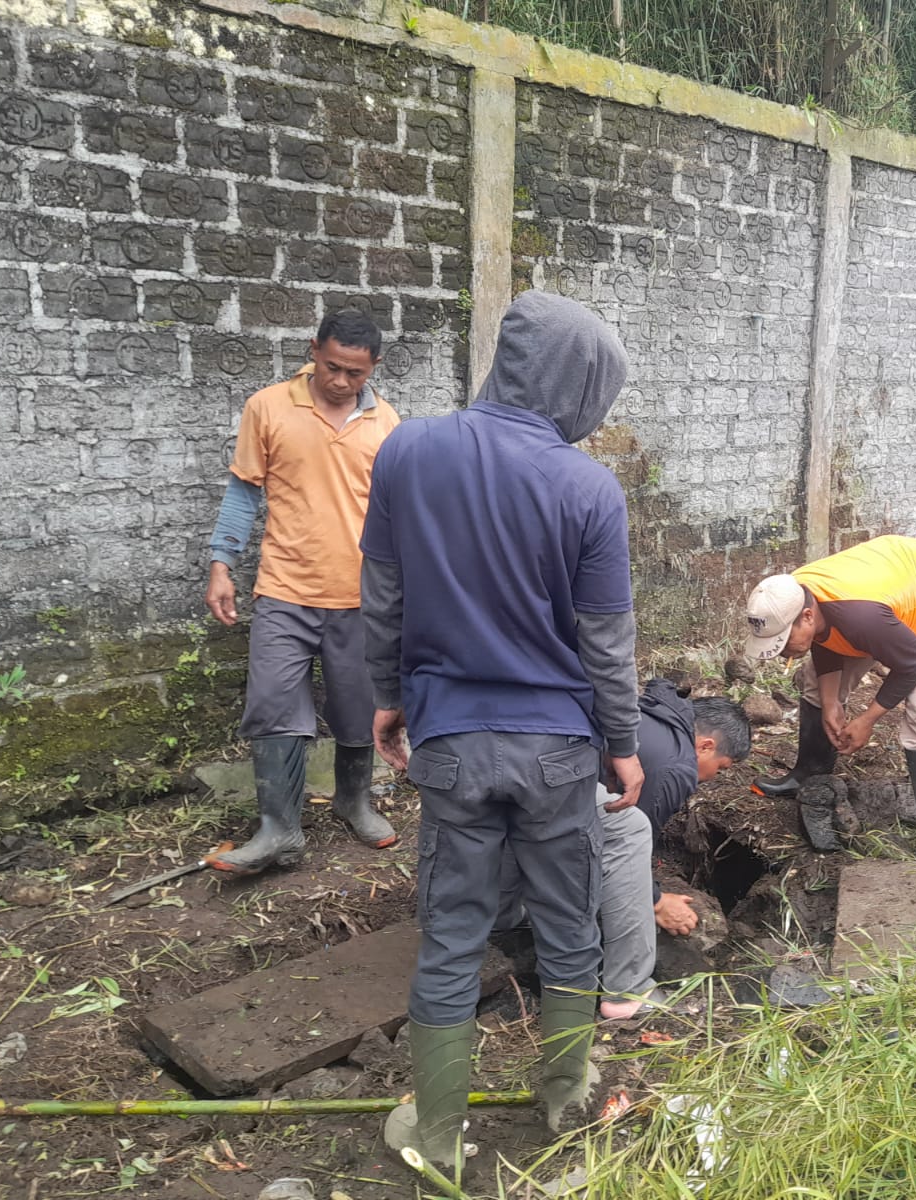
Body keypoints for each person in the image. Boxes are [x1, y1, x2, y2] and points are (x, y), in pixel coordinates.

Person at [359, 292, 642, 1166]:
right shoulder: (589, 488)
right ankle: (565, 1097)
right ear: (581, 383)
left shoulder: (409, 450)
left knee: (451, 935)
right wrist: (622, 744)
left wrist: (387, 694)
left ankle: (438, 1137)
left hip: (449, 744)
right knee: (570, 926)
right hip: (558, 749)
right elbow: (606, 640)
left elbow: (385, 595)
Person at [201, 310, 401, 876]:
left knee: (359, 709)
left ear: (374, 368)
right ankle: (279, 829)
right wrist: (222, 564)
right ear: (313, 350)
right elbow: (244, 493)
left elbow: (399, 515)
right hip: (285, 589)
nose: (341, 381)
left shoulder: (387, 424)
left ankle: (353, 800)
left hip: (361, 598)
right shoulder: (268, 407)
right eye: (332, 366)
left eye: (355, 373)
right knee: (272, 706)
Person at [497, 680, 752, 1021]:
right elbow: (620, 849)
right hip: (549, 777)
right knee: (627, 830)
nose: (710, 779)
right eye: (720, 769)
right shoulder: (676, 764)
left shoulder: (650, 714)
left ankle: (503, 913)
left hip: (500, 757)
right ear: (706, 746)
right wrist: (657, 901)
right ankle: (629, 990)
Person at [742, 535, 916, 860]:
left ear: (807, 616)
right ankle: (810, 774)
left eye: (783, 640)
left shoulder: (860, 618)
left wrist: (867, 719)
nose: (781, 652)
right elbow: (824, 639)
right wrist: (831, 704)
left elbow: (914, 663)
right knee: (815, 681)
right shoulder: (795, 593)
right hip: (886, 597)